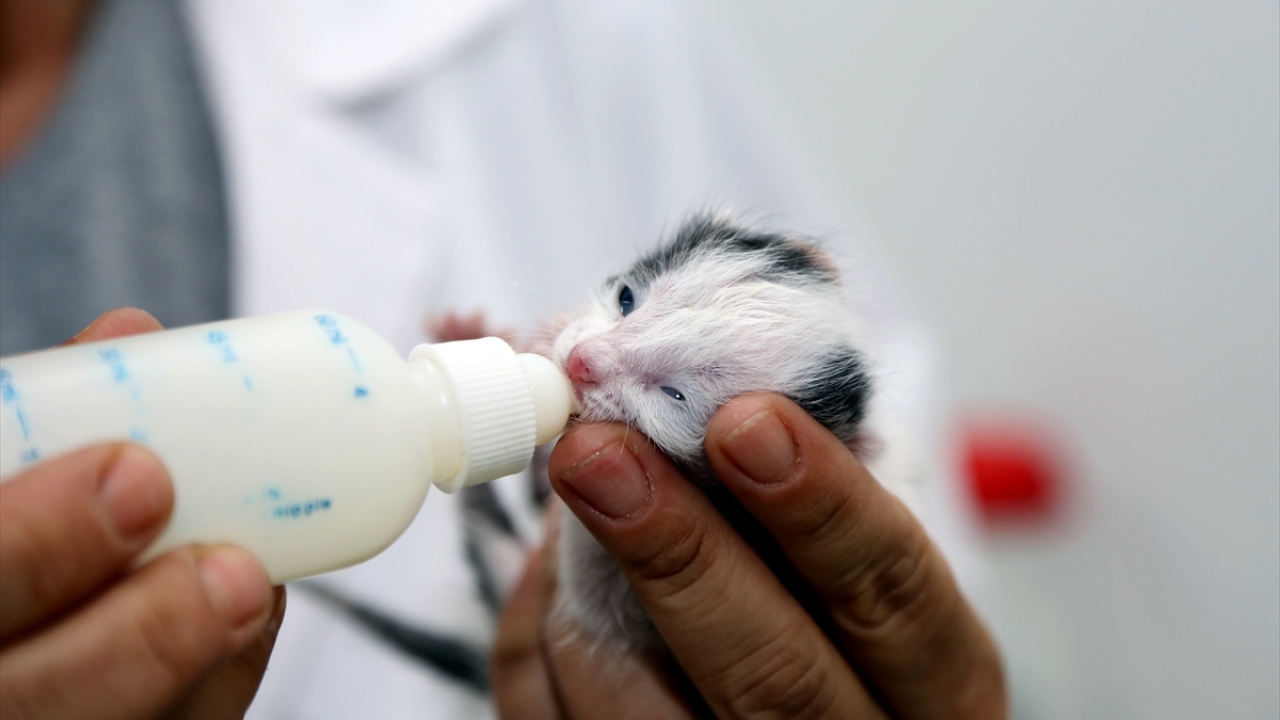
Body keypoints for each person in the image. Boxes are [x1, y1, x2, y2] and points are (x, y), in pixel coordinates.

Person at [0, 0, 1005, 717]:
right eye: (621, 300)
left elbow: (910, 552)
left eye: (669, 389)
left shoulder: (564, 31)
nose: (588, 356)